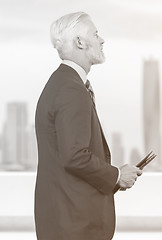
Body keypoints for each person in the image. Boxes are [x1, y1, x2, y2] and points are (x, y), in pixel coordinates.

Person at [34, 12, 142, 240]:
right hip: (75, 225)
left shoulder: (61, 83)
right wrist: (116, 175)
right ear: (80, 42)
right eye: (96, 34)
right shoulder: (71, 89)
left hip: (64, 220)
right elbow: (74, 156)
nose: (102, 40)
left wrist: (115, 178)